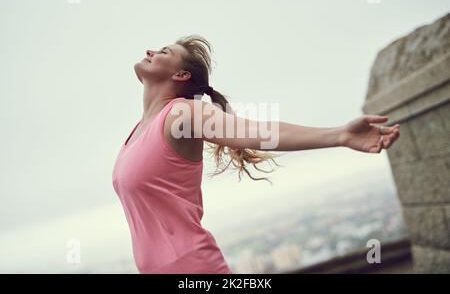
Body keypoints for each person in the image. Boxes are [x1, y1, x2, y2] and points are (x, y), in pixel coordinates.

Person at [112, 34, 400, 274]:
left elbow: (258, 132)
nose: (150, 50)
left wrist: (340, 135)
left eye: (164, 51)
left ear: (180, 75)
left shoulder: (182, 113)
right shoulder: (137, 131)